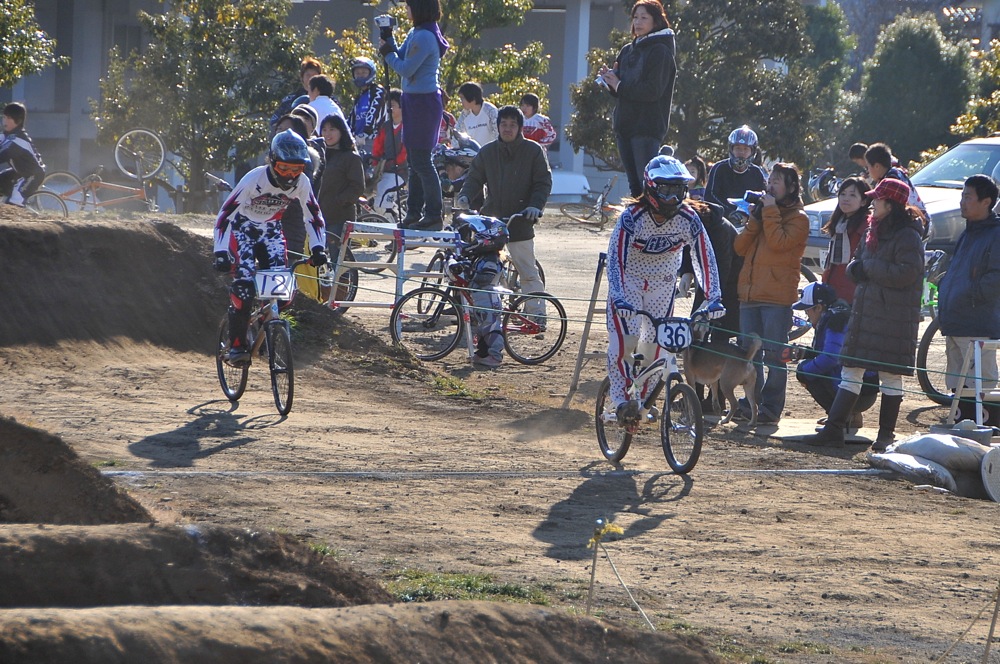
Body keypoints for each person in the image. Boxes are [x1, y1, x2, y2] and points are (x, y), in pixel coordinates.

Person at [806, 178, 925, 449]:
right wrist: (857, 269)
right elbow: (856, 264)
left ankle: (885, 436)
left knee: (890, 376)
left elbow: (907, 272)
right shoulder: (874, 228)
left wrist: (867, 269)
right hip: (867, 312)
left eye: (877, 199)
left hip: (893, 317)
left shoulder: (908, 235)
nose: (872, 203)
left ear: (891, 204)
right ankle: (835, 428)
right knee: (851, 369)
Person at [605, 154, 724, 425]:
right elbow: (615, 259)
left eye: (678, 190)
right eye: (665, 189)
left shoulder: (688, 218)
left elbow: (704, 256)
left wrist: (714, 296)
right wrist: (620, 297)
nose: (672, 197)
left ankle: (644, 400)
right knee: (627, 339)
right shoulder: (631, 218)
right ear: (651, 187)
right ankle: (620, 400)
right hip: (629, 281)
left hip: (662, 284)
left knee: (656, 345)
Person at [213, 130, 327, 365]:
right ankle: (236, 345)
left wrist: (318, 247)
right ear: (272, 162)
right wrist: (221, 251)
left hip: (271, 231)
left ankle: (267, 327)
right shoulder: (254, 179)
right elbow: (225, 215)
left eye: (297, 169)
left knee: (282, 295)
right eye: (284, 168)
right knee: (244, 290)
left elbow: (313, 216)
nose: (290, 175)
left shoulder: (302, 183)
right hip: (241, 230)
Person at [732, 162, 809, 425]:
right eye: (770, 180)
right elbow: (740, 247)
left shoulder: (799, 218)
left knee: (776, 355)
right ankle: (751, 403)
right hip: (750, 293)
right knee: (748, 353)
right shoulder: (765, 213)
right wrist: (754, 219)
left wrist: (770, 211)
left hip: (776, 297)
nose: (771, 185)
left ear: (790, 188)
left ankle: (771, 408)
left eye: (777, 181)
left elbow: (779, 244)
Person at [456, 105, 551, 319]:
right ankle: (486, 314)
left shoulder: (533, 151)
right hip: (491, 223)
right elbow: (474, 177)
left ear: (520, 127)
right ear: (497, 126)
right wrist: (465, 196)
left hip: (520, 221)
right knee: (485, 271)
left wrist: (535, 206)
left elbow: (543, 183)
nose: (507, 129)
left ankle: (536, 315)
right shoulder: (487, 152)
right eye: (503, 124)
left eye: (512, 125)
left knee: (527, 271)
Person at [597, 0, 677, 198]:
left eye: (644, 17)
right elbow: (620, 91)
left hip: (647, 128)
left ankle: (654, 227)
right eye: (635, 17)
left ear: (656, 21)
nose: (638, 22)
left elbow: (653, 91)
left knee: (648, 186)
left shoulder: (661, 50)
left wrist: (619, 85)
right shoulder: (627, 49)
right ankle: (638, 227)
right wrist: (610, 81)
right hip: (625, 125)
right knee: (634, 186)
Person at [380, 0, 449, 231]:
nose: (407, 9)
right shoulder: (417, 32)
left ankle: (433, 214)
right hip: (414, 100)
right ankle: (414, 211)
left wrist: (387, 54)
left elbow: (406, 68)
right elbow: (401, 54)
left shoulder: (425, 36)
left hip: (424, 102)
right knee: (414, 160)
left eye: (410, 6)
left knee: (421, 160)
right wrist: (389, 39)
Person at [937, 174, 1000, 424]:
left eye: (967, 196)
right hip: (955, 322)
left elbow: (996, 278)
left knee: (982, 388)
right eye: (962, 196)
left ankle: (989, 444)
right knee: (958, 386)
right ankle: (963, 439)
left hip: (977, 324)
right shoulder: (968, 232)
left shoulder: (996, 234)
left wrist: (969, 294)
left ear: (986, 202)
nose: (962, 202)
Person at [792, 282, 878, 430]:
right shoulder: (841, 312)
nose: (807, 317)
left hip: (856, 394)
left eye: (808, 312)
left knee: (804, 371)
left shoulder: (834, 320)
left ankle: (838, 418)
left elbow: (831, 358)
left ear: (818, 308)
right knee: (813, 367)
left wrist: (803, 369)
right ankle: (849, 416)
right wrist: (806, 353)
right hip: (867, 389)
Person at [451, 214, 510, 368]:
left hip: (488, 299)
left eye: (474, 237)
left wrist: (467, 270)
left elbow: (483, 278)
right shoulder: (482, 255)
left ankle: (495, 356)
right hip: (480, 299)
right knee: (482, 328)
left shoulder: (491, 259)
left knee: (491, 327)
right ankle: (483, 353)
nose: (471, 241)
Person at [318, 114, 366, 248]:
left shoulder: (351, 157)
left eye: (332, 129)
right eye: (324, 129)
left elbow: (357, 187)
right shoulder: (318, 156)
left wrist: (339, 201)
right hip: (318, 217)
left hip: (339, 217)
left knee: (339, 261)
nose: (327, 133)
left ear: (341, 131)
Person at [820, 177, 870, 304]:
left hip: (853, 292)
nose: (846, 199)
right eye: (842, 194)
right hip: (832, 288)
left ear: (863, 201)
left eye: (852, 195)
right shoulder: (839, 223)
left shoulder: (866, 226)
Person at [704, 125, 768, 220]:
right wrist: (730, 212)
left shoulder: (756, 172)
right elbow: (710, 196)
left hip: (749, 221)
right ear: (731, 149)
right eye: (738, 148)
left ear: (752, 151)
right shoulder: (719, 168)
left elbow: (763, 197)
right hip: (722, 220)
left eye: (746, 149)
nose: (741, 152)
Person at [864, 142, 928, 223]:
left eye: (868, 167)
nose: (868, 171)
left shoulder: (892, 181)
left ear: (877, 166)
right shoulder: (894, 173)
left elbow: (893, 211)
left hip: (915, 221)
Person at [0, 102, 45, 207]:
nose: (4, 121)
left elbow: (3, 155)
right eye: (4, 117)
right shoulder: (7, 134)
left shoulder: (19, 140)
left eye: (8, 118)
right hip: (19, 171)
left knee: (15, 201)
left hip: (33, 175)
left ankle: (14, 212)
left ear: (18, 121)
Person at [371, 89, 407, 217]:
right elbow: (378, 146)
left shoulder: (408, 127)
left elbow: (405, 153)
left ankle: (390, 224)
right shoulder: (386, 126)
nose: (390, 109)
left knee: (382, 201)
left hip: (400, 172)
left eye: (393, 105)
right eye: (388, 106)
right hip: (384, 170)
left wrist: (393, 162)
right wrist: (375, 162)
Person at [269, 57, 323, 138]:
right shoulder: (291, 100)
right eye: (308, 75)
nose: (311, 79)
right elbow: (274, 122)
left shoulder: (329, 101)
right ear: (302, 78)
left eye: (314, 76)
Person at [346, 56, 386, 151]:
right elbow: (352, 119)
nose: (360, 76)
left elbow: (374, 111)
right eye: (357, 73)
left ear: (371, 73)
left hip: (373, 139)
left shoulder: (377, 91)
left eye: (364, 73)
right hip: (358, 140)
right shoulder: (359, 96)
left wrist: (366, 132)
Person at [456, 82, 498, 149]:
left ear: (472, 98)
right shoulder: (464, 115)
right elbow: (457, 134)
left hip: (490, 154)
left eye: (463, 98)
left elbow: (498, 134)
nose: (461, 102)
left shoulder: (490, 110)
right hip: (473, 155)